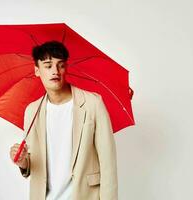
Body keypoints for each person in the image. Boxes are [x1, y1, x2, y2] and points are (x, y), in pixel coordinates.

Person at [9, 41, 118, 200]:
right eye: (48, 66)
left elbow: (108, 164)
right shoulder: (32, 111)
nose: (55, 71)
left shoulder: (93, 104)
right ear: (37, 70)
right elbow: (34, 164)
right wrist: (22, 162)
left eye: (60, 65)